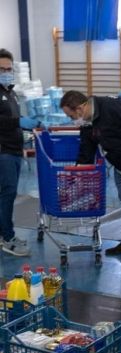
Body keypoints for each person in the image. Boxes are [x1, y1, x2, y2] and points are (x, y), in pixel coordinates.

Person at [60, 90, 121, 259]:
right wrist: (76, 176)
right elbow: (87, 149)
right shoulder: (87, 122)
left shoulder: (113, 105)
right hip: (120, 163)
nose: (72, 120)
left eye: (71, 116)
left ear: (80, 108)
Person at [0, 48, 40, 257]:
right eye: (1, 69)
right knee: (6, 196)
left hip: (14, 149)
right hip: (3, 151)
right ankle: (8, 238)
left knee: (7, 194)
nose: (6, 72)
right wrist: (19, 122)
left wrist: (27, 126)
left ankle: (3, 233)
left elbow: (13, 119)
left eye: (8, 69)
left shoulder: (10, 92)